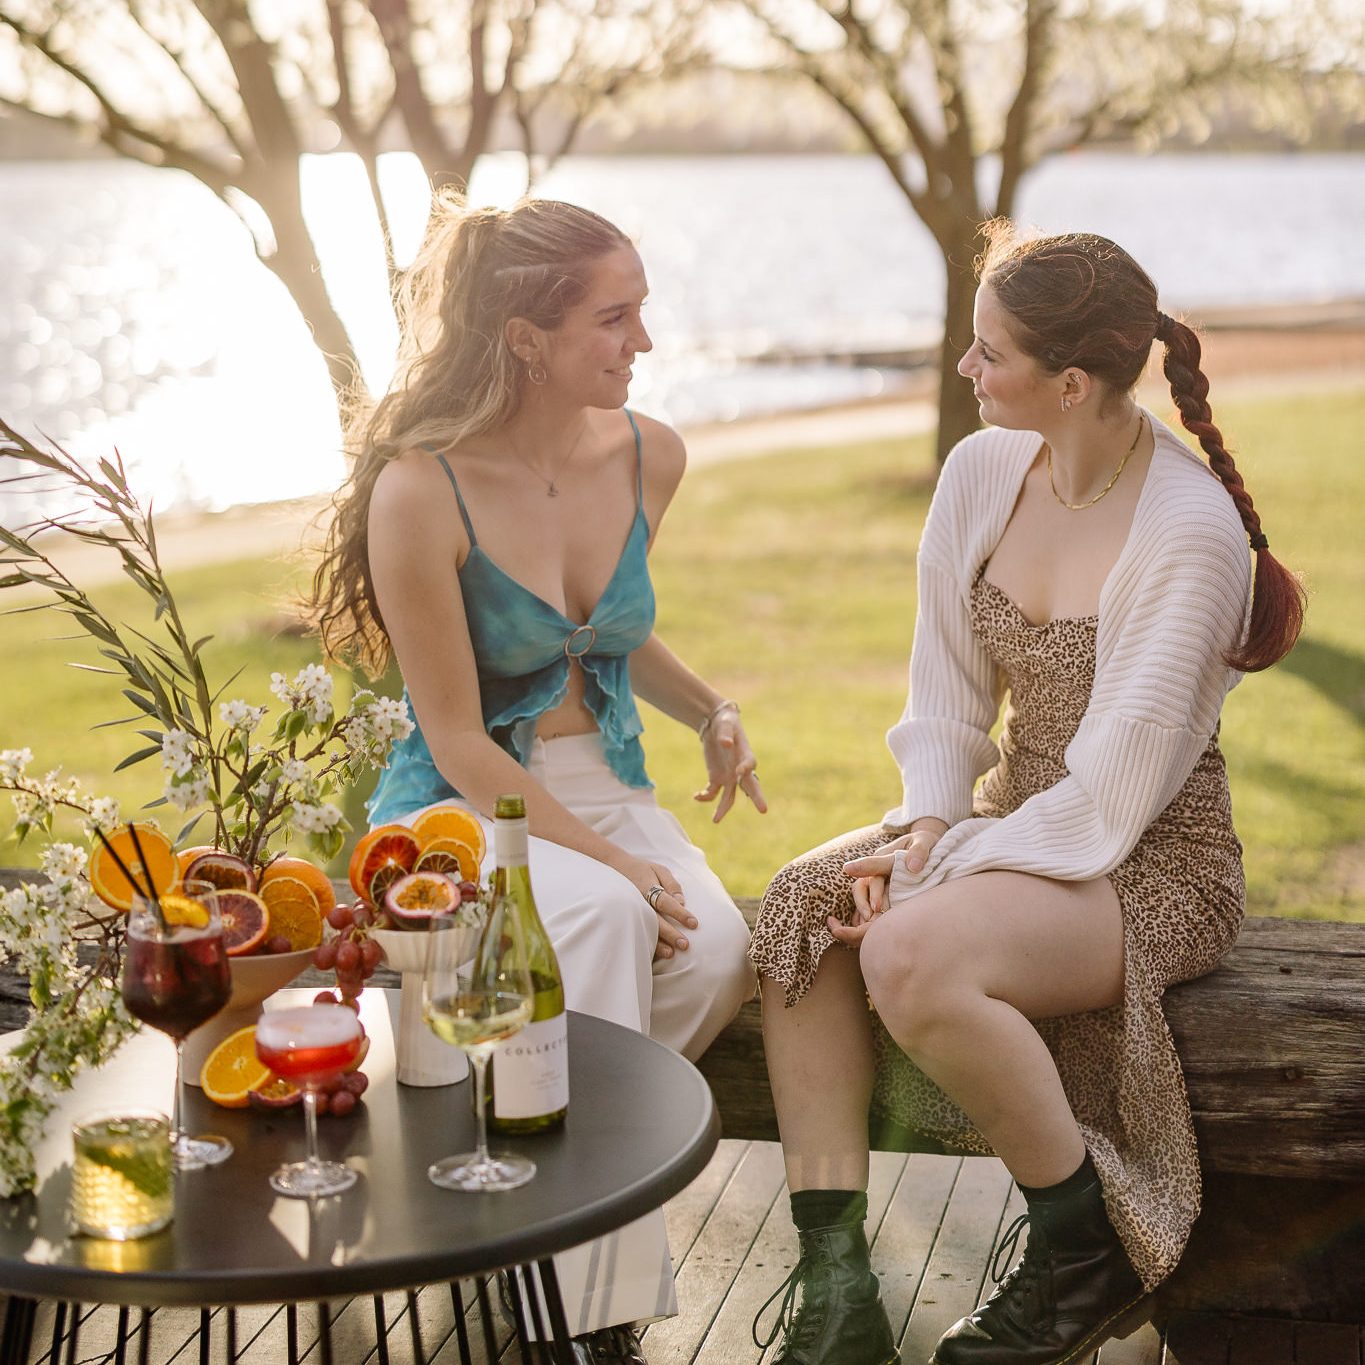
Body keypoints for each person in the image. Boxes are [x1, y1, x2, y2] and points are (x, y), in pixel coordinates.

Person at [747, 224, 1304, 1365]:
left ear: (1071, 383)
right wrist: (925, 834)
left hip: (1150, 853)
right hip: (1007, 817)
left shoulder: (1189, 531)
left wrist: (929, 881)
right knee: (797, 911)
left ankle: (1080, 1252)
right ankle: (836, 1288)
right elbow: (946, 702)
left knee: (907, 954)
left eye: (987, 354)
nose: (964, 371)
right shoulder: (983, 470)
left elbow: (1110, 798)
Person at [309, 194, 764, 1364]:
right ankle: (588, 1314)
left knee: (716, 952)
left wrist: (713, 709)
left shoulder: (649, 451)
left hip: (606, 781)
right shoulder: (421, 487)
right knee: (611, 918)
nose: (642, 344)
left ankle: (520, 1183)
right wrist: (609, 860)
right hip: (465, 802)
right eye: (614, 320)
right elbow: (457, 734)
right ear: (525, 337)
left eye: (641, 313)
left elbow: (607, 636)